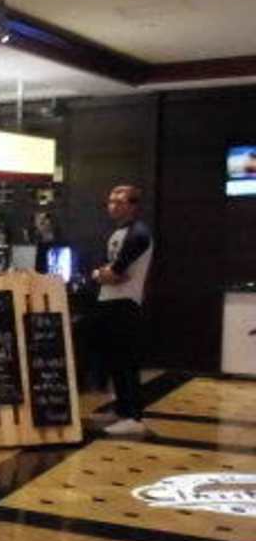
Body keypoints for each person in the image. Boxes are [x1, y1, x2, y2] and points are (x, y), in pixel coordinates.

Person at [92, 184, 153, 436]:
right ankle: (122, 409)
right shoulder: (118, 233)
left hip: (126, 303)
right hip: (109, 301)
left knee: (127, 361)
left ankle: (134, 416)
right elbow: (107, 272)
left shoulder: (139, 234)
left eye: (119, 202)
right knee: (114, 360)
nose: (112, 206)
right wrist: (103, 274)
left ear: (133, 205)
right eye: (110, 201)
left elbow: (116, 273)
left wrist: (102, 274)